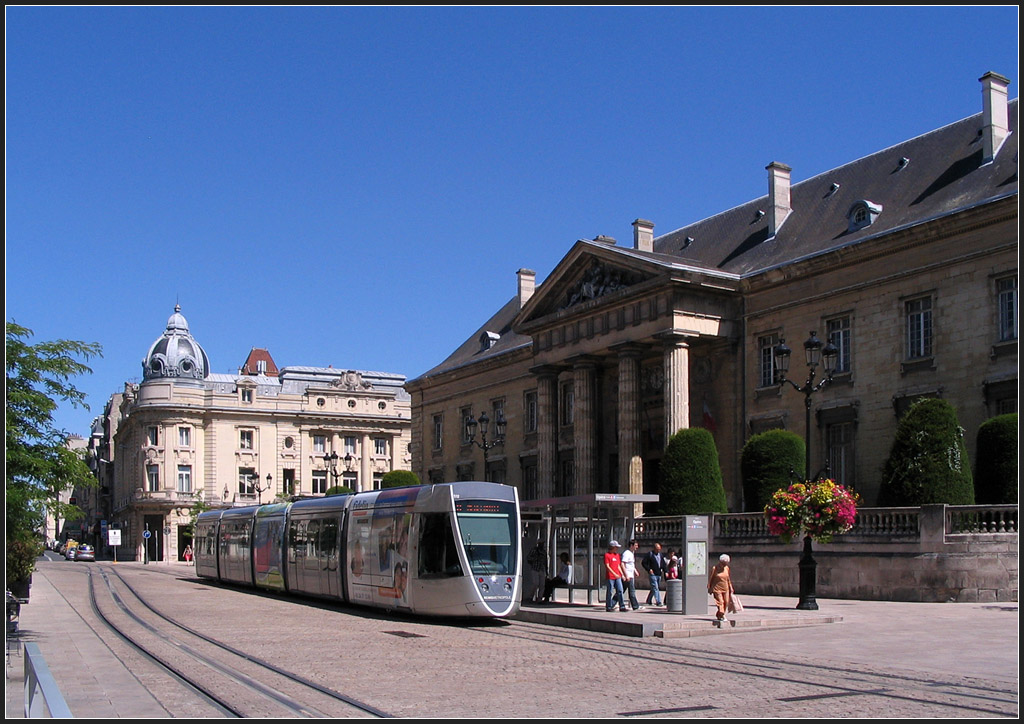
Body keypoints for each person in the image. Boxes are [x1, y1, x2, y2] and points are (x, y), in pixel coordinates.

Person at [708, 553, 734, 627]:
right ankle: (722, 615)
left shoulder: (727, 568)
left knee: (726, 602)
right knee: (720, 602)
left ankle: (719, 614)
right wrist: (709, 587)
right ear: (720, 562)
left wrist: (731, 587)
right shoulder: (714, 568)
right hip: (717, 588)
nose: (725, 565)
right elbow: (711, 578)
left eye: (726, 563)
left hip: (725, 588)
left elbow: (728, 579)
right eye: (724, 563)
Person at [604, 540, 627, 612]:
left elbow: (618, 566)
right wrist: (614, 574)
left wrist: (622, 574)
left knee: (620, 590)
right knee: (610, 591)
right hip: (611, 577)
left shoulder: (617, 555)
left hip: (618, 576)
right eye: (616, 547)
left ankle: (622, 605)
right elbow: (607, 566)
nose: (617, 549)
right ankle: (609, 606)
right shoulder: (607, 555)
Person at [621, 540, 642, 610]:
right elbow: (623, 564)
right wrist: (626, 575)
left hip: (630, 574)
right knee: (631, 591)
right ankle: (635, 606)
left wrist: (635, 571)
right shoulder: (627, 553)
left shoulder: (631, 553)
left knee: (622, 590)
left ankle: (612, 603)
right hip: (628, 575)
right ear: (631, 546)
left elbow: (631, 565)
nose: (637, 547)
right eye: (635, 545)